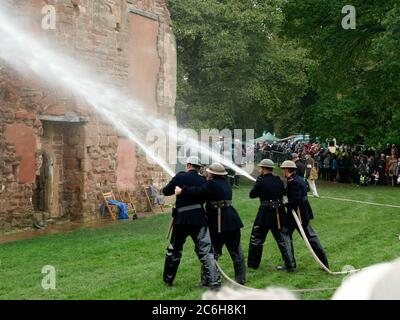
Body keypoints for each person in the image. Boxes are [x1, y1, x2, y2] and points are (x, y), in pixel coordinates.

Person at [175, 163, 246, 285]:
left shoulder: (212, 184)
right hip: (232, 220)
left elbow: (199, 191)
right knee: (236, 251)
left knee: (211, 252)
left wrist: (182, 191)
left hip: (219, 223)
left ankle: (207, 280)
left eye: (208, 172)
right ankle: (241, 279)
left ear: (212, 174)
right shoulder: (226, 183)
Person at [161, 156, 220, 289]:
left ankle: (168, 280)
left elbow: (166, 191)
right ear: (198, 167)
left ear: (188, 165)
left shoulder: (180, 177)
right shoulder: (203, 180)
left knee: (174, 250)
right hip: (199, 219)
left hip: (181, 219)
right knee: (205, 251)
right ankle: (214, 281)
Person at [247, 159, 296, 272]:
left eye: (260, 168)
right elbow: (283, 192)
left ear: (263, 169)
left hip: (265, 213)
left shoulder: (260, 180)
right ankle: (290, 264)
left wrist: (258, 183)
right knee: (283, 239)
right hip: (279, 212)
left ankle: (253, 264)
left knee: (257, 238)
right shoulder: (278, 180)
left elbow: (252, 195)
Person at [280, 160, 329, 269]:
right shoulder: (297, 179)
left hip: (298, 215)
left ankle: (291, 264)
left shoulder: (294, 181)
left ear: (287, 169)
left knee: (289, 235)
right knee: (290, 235)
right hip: (301, 213)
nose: (282, 171)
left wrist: (285, 205)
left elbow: (296, 200)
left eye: (283, 169)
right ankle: (290, 263)